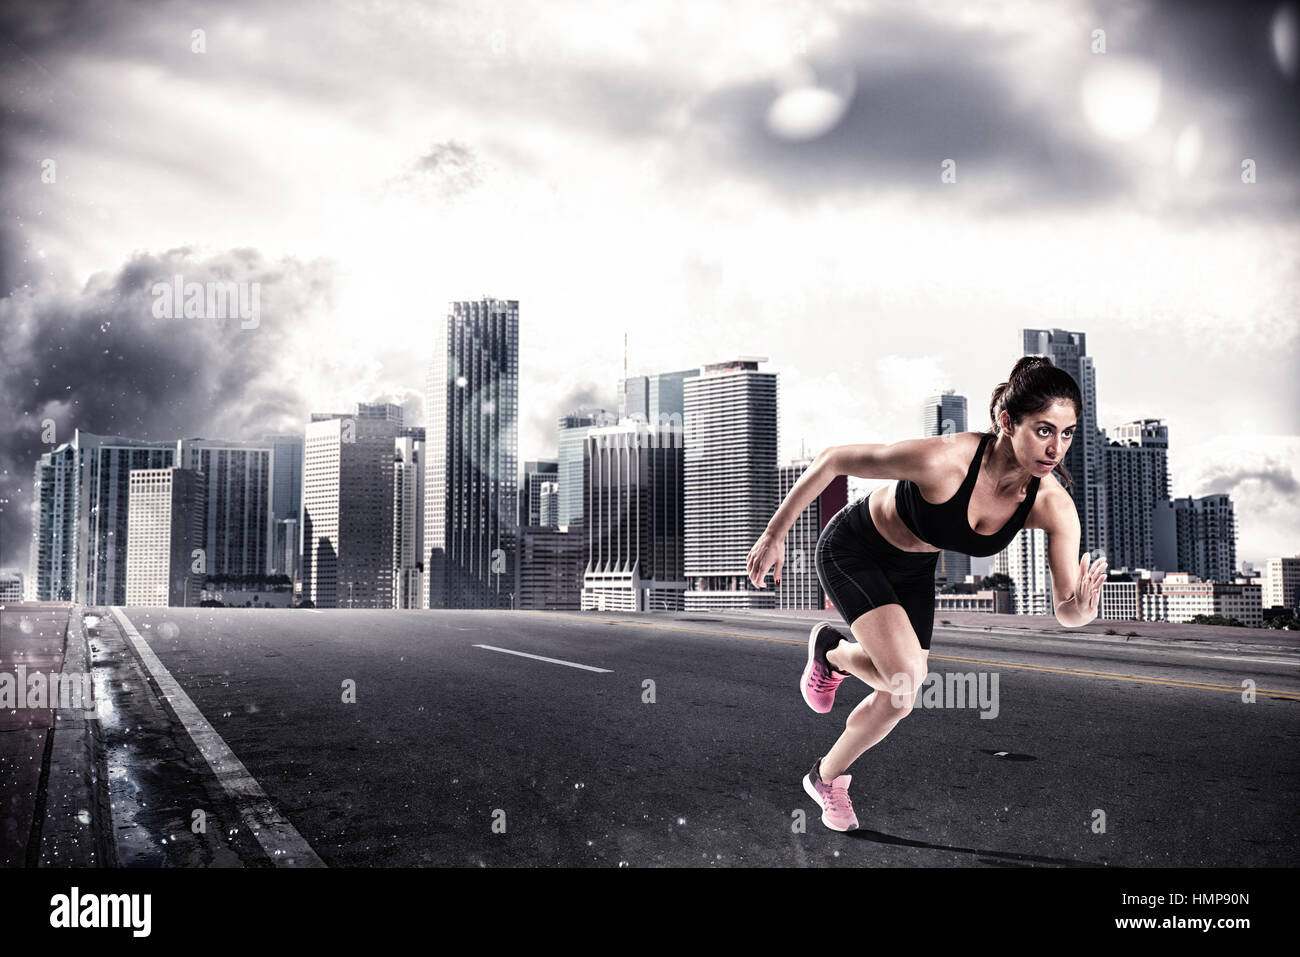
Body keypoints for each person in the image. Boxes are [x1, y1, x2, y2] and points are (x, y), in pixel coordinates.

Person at [745, 356, 1108, 832]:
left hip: (914, 570)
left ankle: (825, 769)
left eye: (1067, 433)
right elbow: (833, 459)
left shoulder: (1051, 504)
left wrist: (1079, 611)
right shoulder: (945, 460)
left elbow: (1067, 609)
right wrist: (774, 535)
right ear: (1007, 422)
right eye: (1043, 430)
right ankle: (832, 654)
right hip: (854, 549)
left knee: (899, 694)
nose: (1055, 447)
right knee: (904, 681)